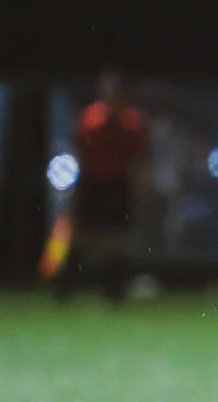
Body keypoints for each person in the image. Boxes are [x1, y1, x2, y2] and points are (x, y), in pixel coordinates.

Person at [55, 69, 150, 301]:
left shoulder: (132, 122)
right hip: (92, 181)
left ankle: (113, 290)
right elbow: (81, 155)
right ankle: (65, 288)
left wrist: (139, 192)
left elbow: (138, 160)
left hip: (117, 183)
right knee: (81, 235)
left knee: (114, 238)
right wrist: (76, 190)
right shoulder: (90, 119)